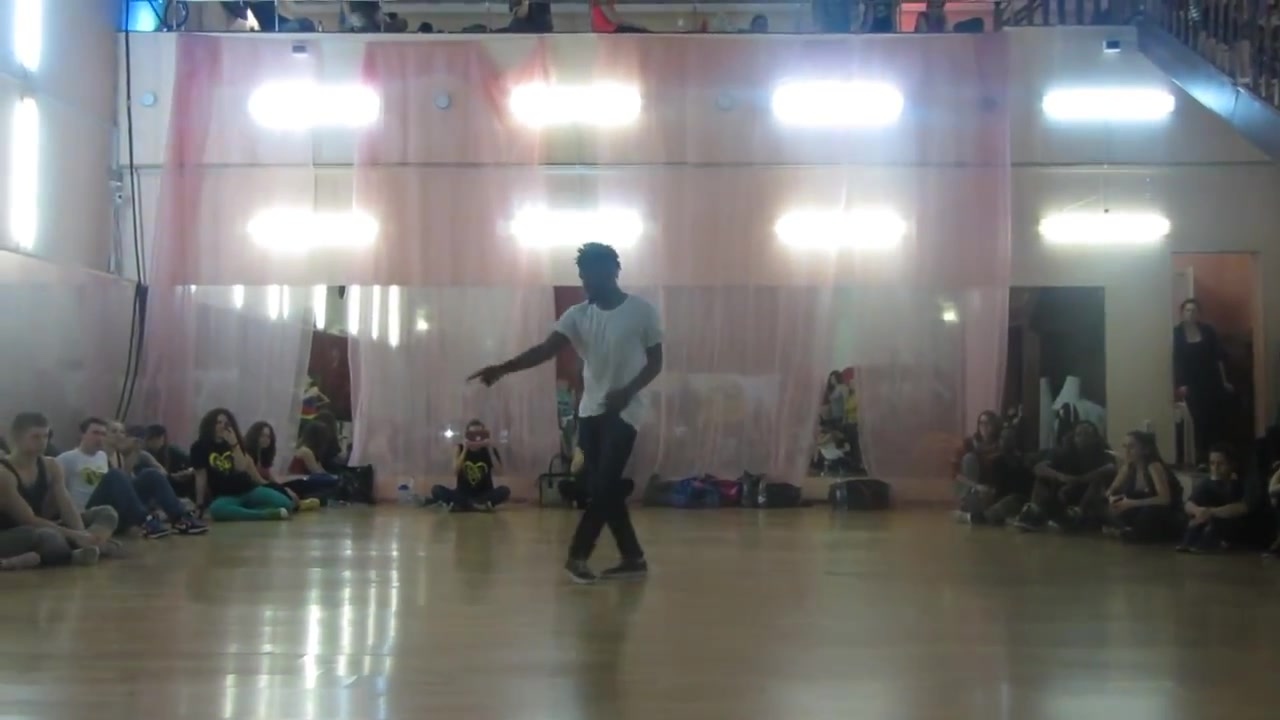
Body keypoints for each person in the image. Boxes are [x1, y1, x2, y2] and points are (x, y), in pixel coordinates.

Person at [470, 242, 663, 584]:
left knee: (604, 484)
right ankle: (633, 558)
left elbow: (655, 363)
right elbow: (545, 350)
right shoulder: (577, 316)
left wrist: (628, 391)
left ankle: (578, 556)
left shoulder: (642, 311)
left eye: (592, 274)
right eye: (582, 275)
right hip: (590, 412)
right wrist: (502, 368)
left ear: (613, 271)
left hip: (625, 412)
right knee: (601, 486)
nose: (586, 282)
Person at [0, 413, 117, 569]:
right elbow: (28, 520)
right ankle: (72, 555)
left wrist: (82, 534)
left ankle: (86, 548)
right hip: (12, 532)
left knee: (107, 513)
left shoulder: (51, 465)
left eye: (45, 436)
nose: (42, 442)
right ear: (17, 438)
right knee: (47, 536)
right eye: (35, 437)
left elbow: (66, 505)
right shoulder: (4, 474)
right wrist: (75, 536)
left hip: (42, 526)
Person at [57, 418, 204, 538]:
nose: (100, 437)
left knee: (150, 474)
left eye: (103, 434)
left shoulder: (102, 457)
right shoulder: (67, 458)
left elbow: (123, 486)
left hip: (113, 512)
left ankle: (180, 518)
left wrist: (133, 453)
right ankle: (145, 521)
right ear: (82, 435)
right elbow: (56, 491)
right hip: (89, 514)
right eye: (95, 433)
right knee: (115, 474)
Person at [191, 408, 293, 521]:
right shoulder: (199, 447)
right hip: (225, 495)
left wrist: (234, 445)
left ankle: (247, 511)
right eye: (218, 422)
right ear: (210, 424)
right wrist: (199, 504)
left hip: (248, 489)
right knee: (217, 510)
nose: (222, 426)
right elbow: (200, 477)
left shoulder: (234, 443)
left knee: (286, 503)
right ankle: (262, 514)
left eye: (226, 424)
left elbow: (241, 467)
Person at [1013, 421, 1116, 531]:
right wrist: (1062, 477)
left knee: (1097, 482)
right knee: (1042, 480)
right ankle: (1034, 511)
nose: (1082, 438)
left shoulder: (1102, 452)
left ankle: (1077, 513)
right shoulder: (1063, 451)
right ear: (1073, 437)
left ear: (1095, 439)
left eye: (1087, 434)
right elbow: (1039, 468)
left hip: (1086, 498)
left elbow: (1110, 468)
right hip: (1061, 493)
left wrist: (1078, 480)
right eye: (1079, 434)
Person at [1173, 298, 1233, 466]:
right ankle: (1202, 459)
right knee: (1199, 420)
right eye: (1187, 310)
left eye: (1194, 310)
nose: (1191, 314)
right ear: (1182, 313)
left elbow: (1218, 358)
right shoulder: (1177, 333)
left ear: (1199, 313)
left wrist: (1225, 381)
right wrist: (1181, 384)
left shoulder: (1208, 330)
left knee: (1216, 419)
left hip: (1212, 380)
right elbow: (1176, 360)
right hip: (1192, 383)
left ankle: (1220, 458)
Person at [1102, 430, 1181, 543]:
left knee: (1147, 513)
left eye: (1131, 447)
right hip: (1138, 508)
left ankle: (1127, 532)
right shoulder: (1128, 467)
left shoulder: (1154, 466)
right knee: (1107, 507)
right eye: (1125, 447)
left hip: (1163, 510)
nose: (1127, 451)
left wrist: (1131, 503)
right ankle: (1127, 531)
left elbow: (1164, 499)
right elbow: (1111, 490)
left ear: (1145, 449)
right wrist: (1112, 499)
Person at [1178, 444, 1258, 552]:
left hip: (1239, 523)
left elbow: (1244, 507)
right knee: (1194, 521)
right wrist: (1198, 511)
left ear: (1232, 465)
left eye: (1221, 464)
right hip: (1212, 517)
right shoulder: (1208, 481)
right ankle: (1191, 542)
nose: (1215, 468)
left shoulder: (1244, 481)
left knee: (1216, 523)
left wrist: (1211, 512)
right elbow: (1189, 504)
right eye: (1212, 463)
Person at [956, 426, 1032, 526]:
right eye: (1003, 438)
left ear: (1015, 441)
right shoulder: (997, 461)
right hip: (1000, 498)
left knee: (1006, 503)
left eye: (1009, 439)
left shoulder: (1022, 461)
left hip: (1016, 499)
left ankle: (975, 518)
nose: (1005, 441)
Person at [430, 420, 512, 512]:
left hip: (484, 494)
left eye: (480, 434)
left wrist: (490, 449)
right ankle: (476, 505)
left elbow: (499, 472)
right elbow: (455, 471)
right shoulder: (459, 448)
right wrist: (465, 449)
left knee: (505, 490)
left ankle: (464, 505)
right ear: (466, 436)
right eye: (472, 435)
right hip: (462, 494)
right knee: (436, 489)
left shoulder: (490, 449)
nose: (476, 438)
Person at [246, 421, 325, 508]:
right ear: (254, 436)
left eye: (268, 437)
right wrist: (282, 490)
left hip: (265, 486)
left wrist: (284, 488)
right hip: (254, 489)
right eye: (262, 436)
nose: (266, 439)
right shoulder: (248, 456)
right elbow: (259, 481)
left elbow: (271, 479)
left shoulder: (263, 457)